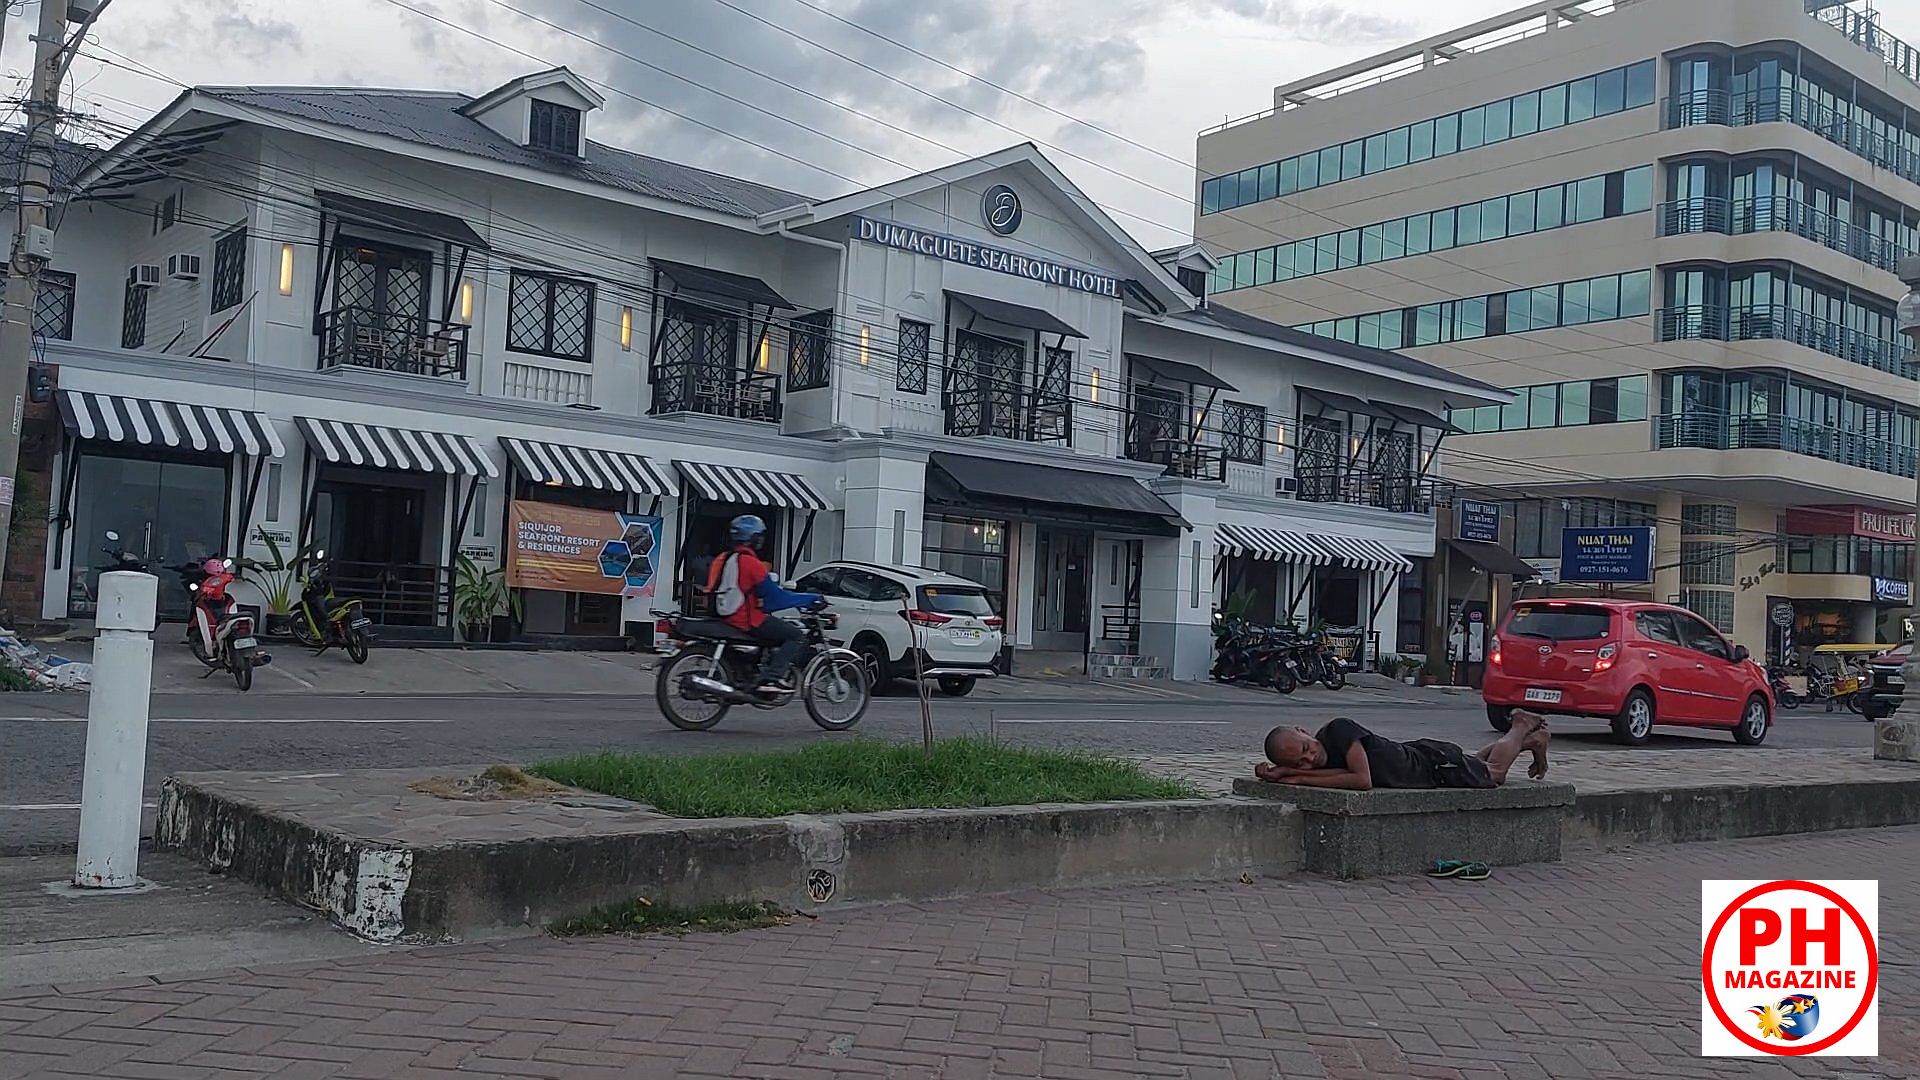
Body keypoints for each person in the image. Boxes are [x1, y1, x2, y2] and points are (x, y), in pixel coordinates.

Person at [1255, 710, 1550, 791]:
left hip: (1433, 765)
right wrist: (1284, 772)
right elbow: (1341, 773)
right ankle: (1533, 742)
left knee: (1494, 774)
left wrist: (1299, 777)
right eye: (1302, 762)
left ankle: (1520, 727)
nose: (1311, 758)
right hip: (1426, 759)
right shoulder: (1320, 760)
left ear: (1303, 730)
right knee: (1478, 763)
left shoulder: (1338, 730)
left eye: (1306, 748)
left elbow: (1360, 780)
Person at [707, 514, 823, 692]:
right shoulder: (751, 564)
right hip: (745, 618)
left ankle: (757, 669)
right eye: (759, 536)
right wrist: (807, 599)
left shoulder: (725, 558)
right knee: (795, 635)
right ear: (753, 538)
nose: (761, 541)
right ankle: (772, 679)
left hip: (725, 615)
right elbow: (774, 599)